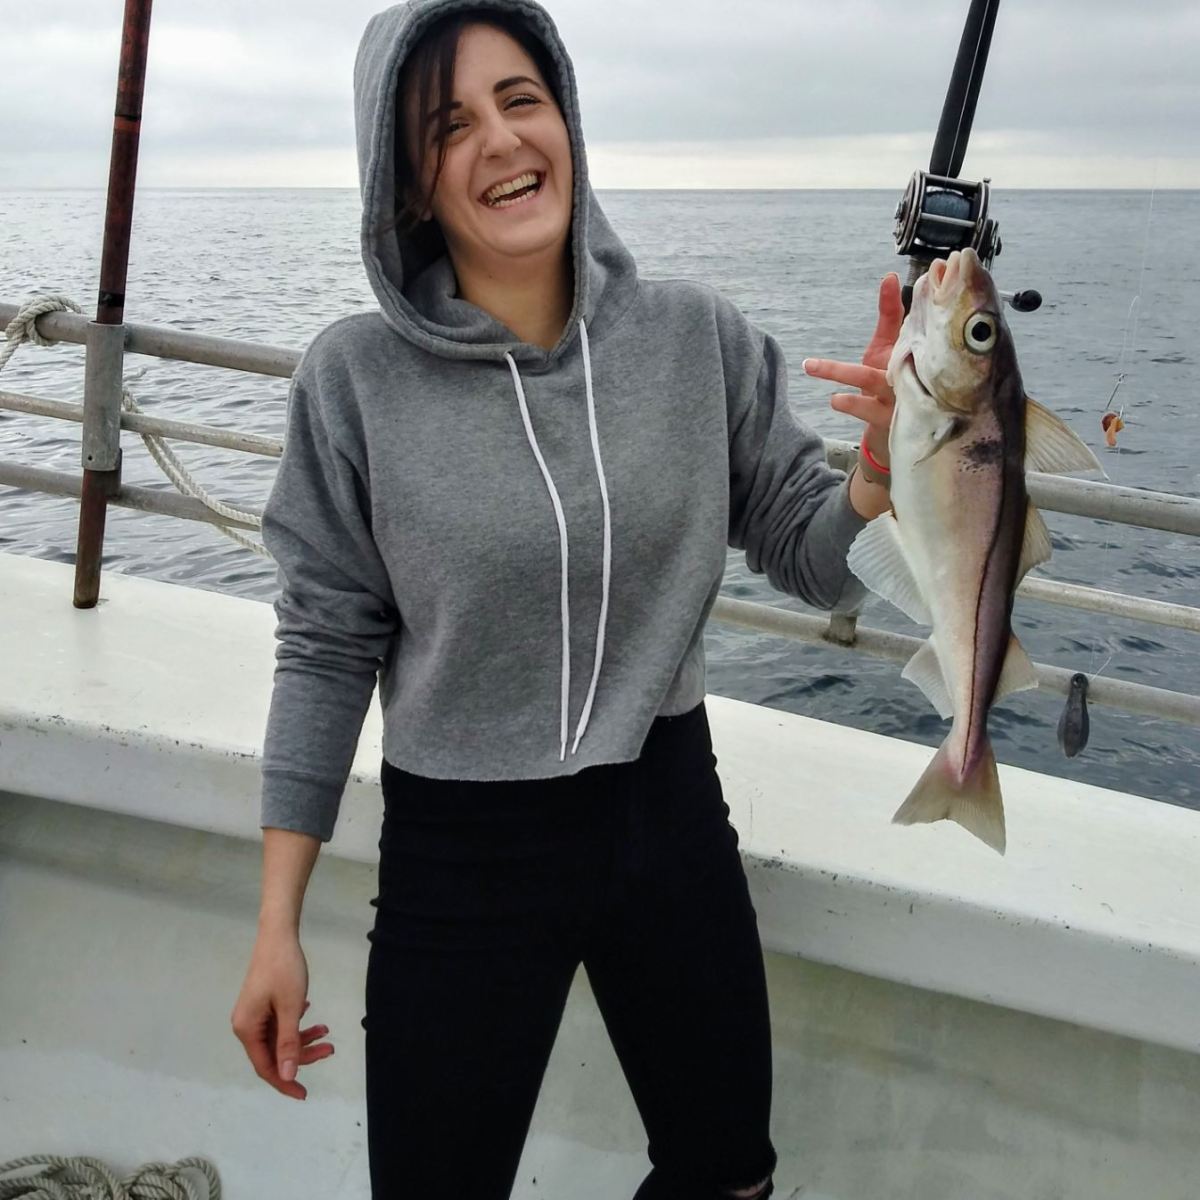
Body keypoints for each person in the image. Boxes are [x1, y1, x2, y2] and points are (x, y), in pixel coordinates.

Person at [231, 1, 902, 1196]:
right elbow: (328, 646)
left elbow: (811, 553)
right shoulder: (353, 381)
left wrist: (885, 477)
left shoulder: (695, 337)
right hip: (462, 847)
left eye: (520, 99)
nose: (499, 139)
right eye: (449, 123)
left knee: (727, 1172)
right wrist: (276, 921)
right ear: (407, 180)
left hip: (666, 808)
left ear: (569, 121)